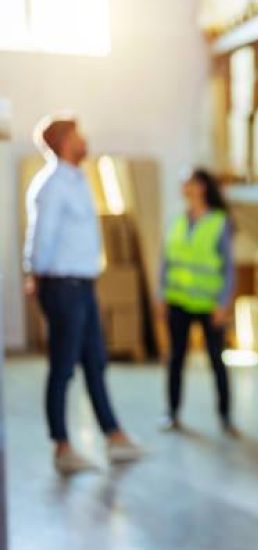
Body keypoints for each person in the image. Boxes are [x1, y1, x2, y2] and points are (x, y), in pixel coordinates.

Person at [23, 114, 143, 474]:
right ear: (64, 142)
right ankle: (62, 446)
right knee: (63, 367)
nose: (85, 140)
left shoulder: (78, 179)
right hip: (62, 286)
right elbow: (41, 236)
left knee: (95, 361)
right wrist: (35, 275)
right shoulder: (52, 185)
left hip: (83, 285)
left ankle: (114, 436)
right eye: (78, 136)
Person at [158, 169, 236, 434]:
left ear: (201, 187)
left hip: (208, 304)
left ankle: (225, 417)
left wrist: (223, 303)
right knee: (175, 359)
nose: (184, 187)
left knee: (216, 361)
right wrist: (160, 294)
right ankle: (172, 413)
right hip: (178, 301)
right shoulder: (177, 220)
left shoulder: (219, 222)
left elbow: (228, 267)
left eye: (189, 182)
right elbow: (166, 261)